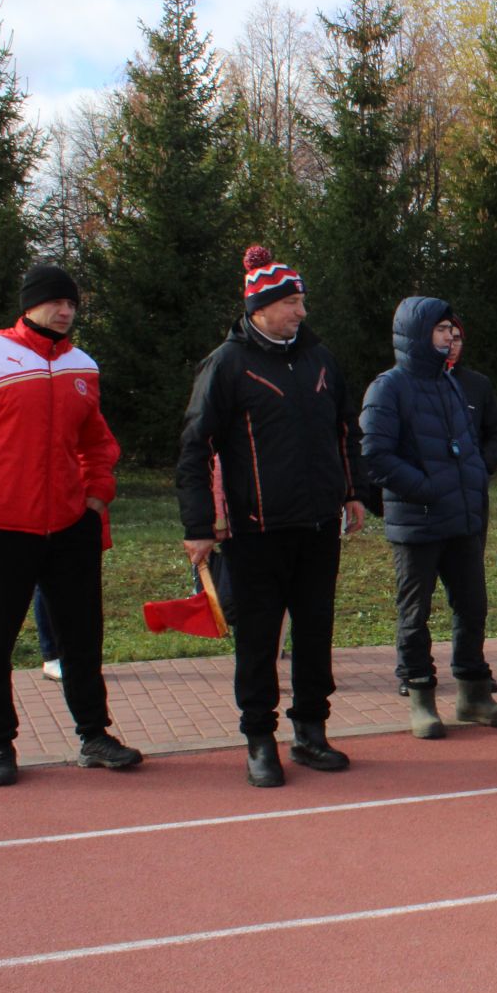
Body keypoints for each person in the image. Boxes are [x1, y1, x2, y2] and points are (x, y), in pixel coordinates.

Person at [0, 263, 142, 787]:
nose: (66, 311)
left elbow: (97, 441)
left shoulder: (82, 365)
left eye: (73, 303)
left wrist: (96, 493)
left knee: (82, 640)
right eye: (56, 301)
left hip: (70, 527)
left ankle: (94, 735)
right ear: (29, 304)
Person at [178, 246, 368, 788]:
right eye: (290, 302)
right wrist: (197, 526)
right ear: (259, 307)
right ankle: (259, 738)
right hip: (254, 530)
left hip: (317, 527)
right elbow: (195, 448)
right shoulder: (227, 364)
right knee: (259, 640)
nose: (301, 312)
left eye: (302, 301)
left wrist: (353, 492)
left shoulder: (322, 360)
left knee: (315, 632)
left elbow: (345, 431)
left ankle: (311, 731)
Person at [360, 298, 497, 740]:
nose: (451, 337)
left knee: (472, 606)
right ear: (417, 334)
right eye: (441, 329)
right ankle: (421, 696)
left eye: (452, 329)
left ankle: (472, 694)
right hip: (418, 521)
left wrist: (470, 480)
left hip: (462, 518)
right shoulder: (387, 388)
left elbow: (466, 443)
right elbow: (376, 455)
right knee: (415, 612)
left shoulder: (451, 385)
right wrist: (428, 489)